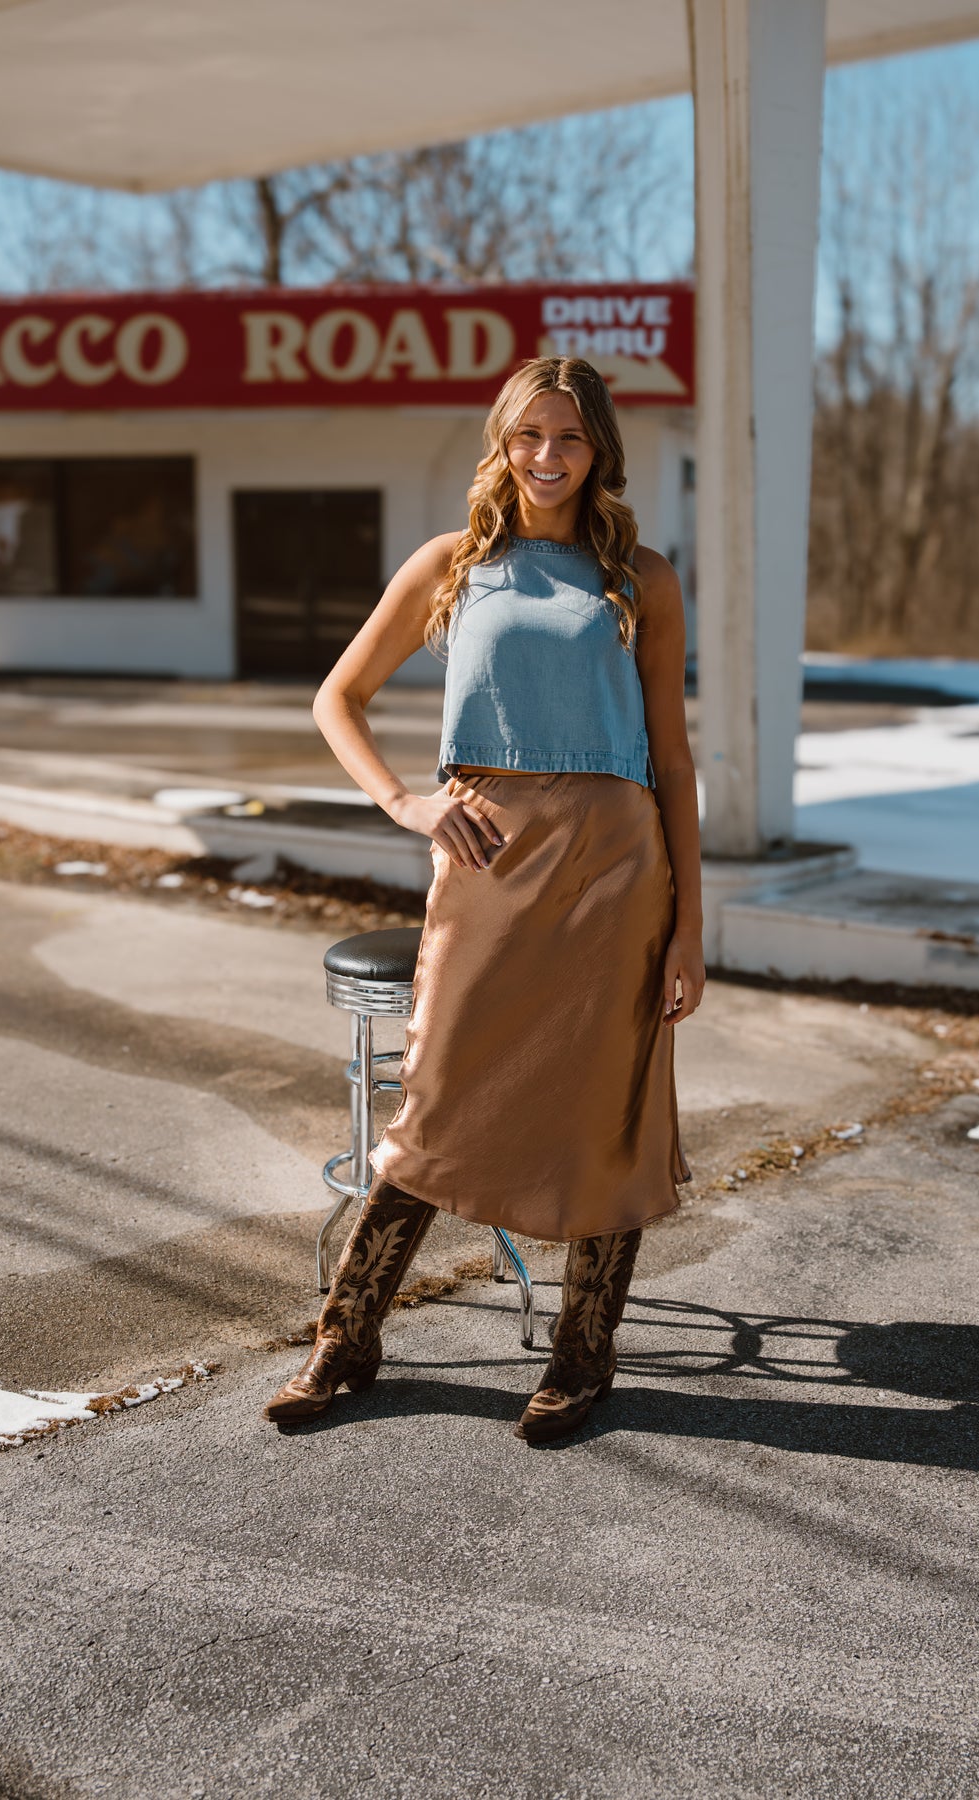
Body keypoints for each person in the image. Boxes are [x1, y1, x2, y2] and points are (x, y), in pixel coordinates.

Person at [263, 355, 705, 1443]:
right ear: (500, 443)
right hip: (487, 864)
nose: (546, 459)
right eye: (527, 437)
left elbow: (674, 759)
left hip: (615, 868)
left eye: (568, 439)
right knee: (437, 1098)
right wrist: (405, 805)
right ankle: (347, 1336)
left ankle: (581, 1357)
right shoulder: (453, 566)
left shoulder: (640, 576)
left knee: (606, 1109)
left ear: (598, 447)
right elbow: (338, 697)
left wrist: (691, 923)